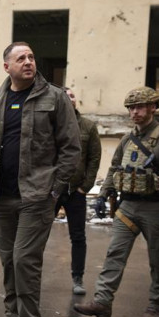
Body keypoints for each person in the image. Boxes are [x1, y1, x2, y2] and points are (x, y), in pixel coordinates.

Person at [0, 42, 80, 317]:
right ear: (6, 66)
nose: (29, 62)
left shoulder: (55, 98)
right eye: (20, 58)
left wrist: (55, 191)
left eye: (32, 57)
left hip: (36, 198)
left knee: (25, 262)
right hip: (2, 198)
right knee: (9, 264)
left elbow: (71, 148)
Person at [73, 87, 159, 317]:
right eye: (131, 108)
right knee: (114, 254)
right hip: (128, 206)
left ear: (152, 107)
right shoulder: (128, 139)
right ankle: (102, 302)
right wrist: (103, 194)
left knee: (158, 260)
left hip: (157, 208)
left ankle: (155, 305)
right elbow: (115, 168)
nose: (134, 112)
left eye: (139, 107)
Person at [54, 88, 102, 295]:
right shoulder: (50, 125)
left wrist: (85, 187)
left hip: (76, 191)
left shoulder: (88, 127)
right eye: (64, 96)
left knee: (78, 236)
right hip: (52, 190)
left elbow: (94, 158)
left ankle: (77, 278)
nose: (68, 99)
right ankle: (31, 277)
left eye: (71, 96)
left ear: (76, 100)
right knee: (37, 234)